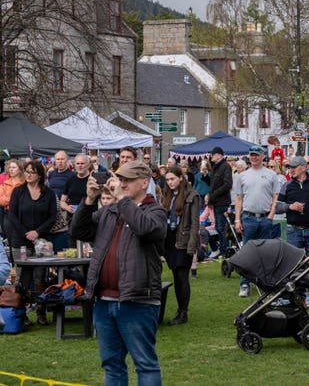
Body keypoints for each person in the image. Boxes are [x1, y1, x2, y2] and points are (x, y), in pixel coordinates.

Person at [70, 159, 166, 386]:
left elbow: (144, 228)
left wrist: (122, 200)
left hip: (137, 301)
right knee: (111, 365)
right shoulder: (110, 211)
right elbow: (78, 230)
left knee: (145, 364)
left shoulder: (155, 211)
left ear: (144, 182)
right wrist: (89, 200)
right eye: (120, 179)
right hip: (104, 301)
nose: (121, 184)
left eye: (127, 180)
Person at [7, 161, 57, 324]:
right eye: (27, 171)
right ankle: (20, 313)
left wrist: (37, 232)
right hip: (20, 241)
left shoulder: (48, 193)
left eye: (32, 172)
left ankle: (41, 312)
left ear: (40, 175)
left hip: (42, 241)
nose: (28, 174)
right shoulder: (18, 192)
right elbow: (12, 215)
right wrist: (25, 233)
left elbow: (52, 217)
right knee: (22, 278)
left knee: (40, 277)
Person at [276, 156, 309, 308]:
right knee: (295, 266)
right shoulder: (286, 185)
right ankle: (300, 298)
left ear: (304, 167)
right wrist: (290, 207)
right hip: (293, 230)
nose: (291, 169)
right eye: (290, 167)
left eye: (294, 167)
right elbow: (278, 207)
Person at [233, 145, 279, 297]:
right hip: (248, 217)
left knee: (265, 253)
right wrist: (237, 219)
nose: (254, 157)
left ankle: (265, 285)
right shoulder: (242, 176)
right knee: (247, 252)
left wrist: (271, 214)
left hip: (265, 217)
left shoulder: (271, 174)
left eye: (256, 155)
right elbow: (238, 198)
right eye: (252, 155)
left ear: (262, 156)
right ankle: (244, 284)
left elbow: (275, 197)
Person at [161, 166, 200, 326]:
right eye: (168, 179)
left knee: (182, 276)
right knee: (176, 276)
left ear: (181, 178)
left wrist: (191, 246)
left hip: (183, 240)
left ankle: (182, 312)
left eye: (172, 179)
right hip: (170, 239)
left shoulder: (192, 195)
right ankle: (181, 310)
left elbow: (194, 223)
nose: (170, 182)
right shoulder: (167, 194)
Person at [207, 147, 233, 259]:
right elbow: (213, 184)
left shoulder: (225, 166)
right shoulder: (216, 167)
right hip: (217, 202)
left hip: (222, 202)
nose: (211, 156)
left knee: (222, 228)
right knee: (219, 228)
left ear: (219, 155)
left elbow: (227, 184)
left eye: (212, 154)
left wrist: (214, 194)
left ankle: (224, 251)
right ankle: (223, 250)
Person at [0, 159, 24, 238]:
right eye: (10, 167)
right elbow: (1, 201)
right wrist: (15, 199)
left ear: (20, 170)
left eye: (14, 167)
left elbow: (25, 200)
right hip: (8, 214)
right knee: (10, 238)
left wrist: (8, 199)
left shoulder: (24, 183)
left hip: (22, 215)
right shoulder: (5, 184)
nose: (11, 169)